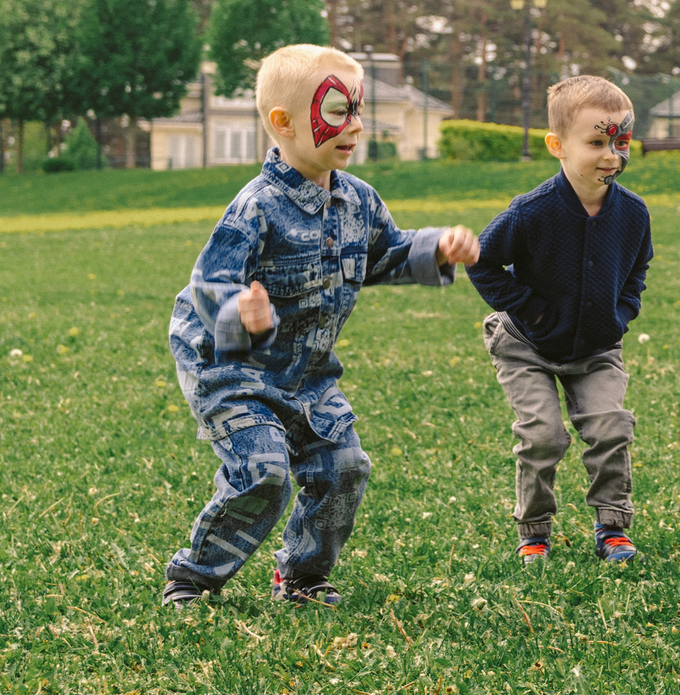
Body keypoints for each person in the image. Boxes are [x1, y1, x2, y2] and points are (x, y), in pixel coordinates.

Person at [160, 45, 480, 608]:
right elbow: (209, 285)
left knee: (344, 467)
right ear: (283, 122)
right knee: (264, 471)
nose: (355, 125)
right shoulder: (256, 207)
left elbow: (387, 253)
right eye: (337, 111)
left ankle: (303, 576)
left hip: (306, 373)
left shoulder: (359, 201)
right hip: (231, 367)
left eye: (358, 109)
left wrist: (437, 248)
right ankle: (193, 577)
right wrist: (240, 314)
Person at [469, 76, 653, 566]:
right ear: (557, 145)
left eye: (621, 141)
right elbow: (481, 260)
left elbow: (637, 270)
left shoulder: (634, 214)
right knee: (542, 435)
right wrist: (529, 308)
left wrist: (621, 314)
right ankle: (534, 532)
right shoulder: (531, 211)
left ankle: (612, 527)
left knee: (611, 427)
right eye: (596, 142)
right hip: (525, 344)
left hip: (596, 347)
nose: (611, 155)